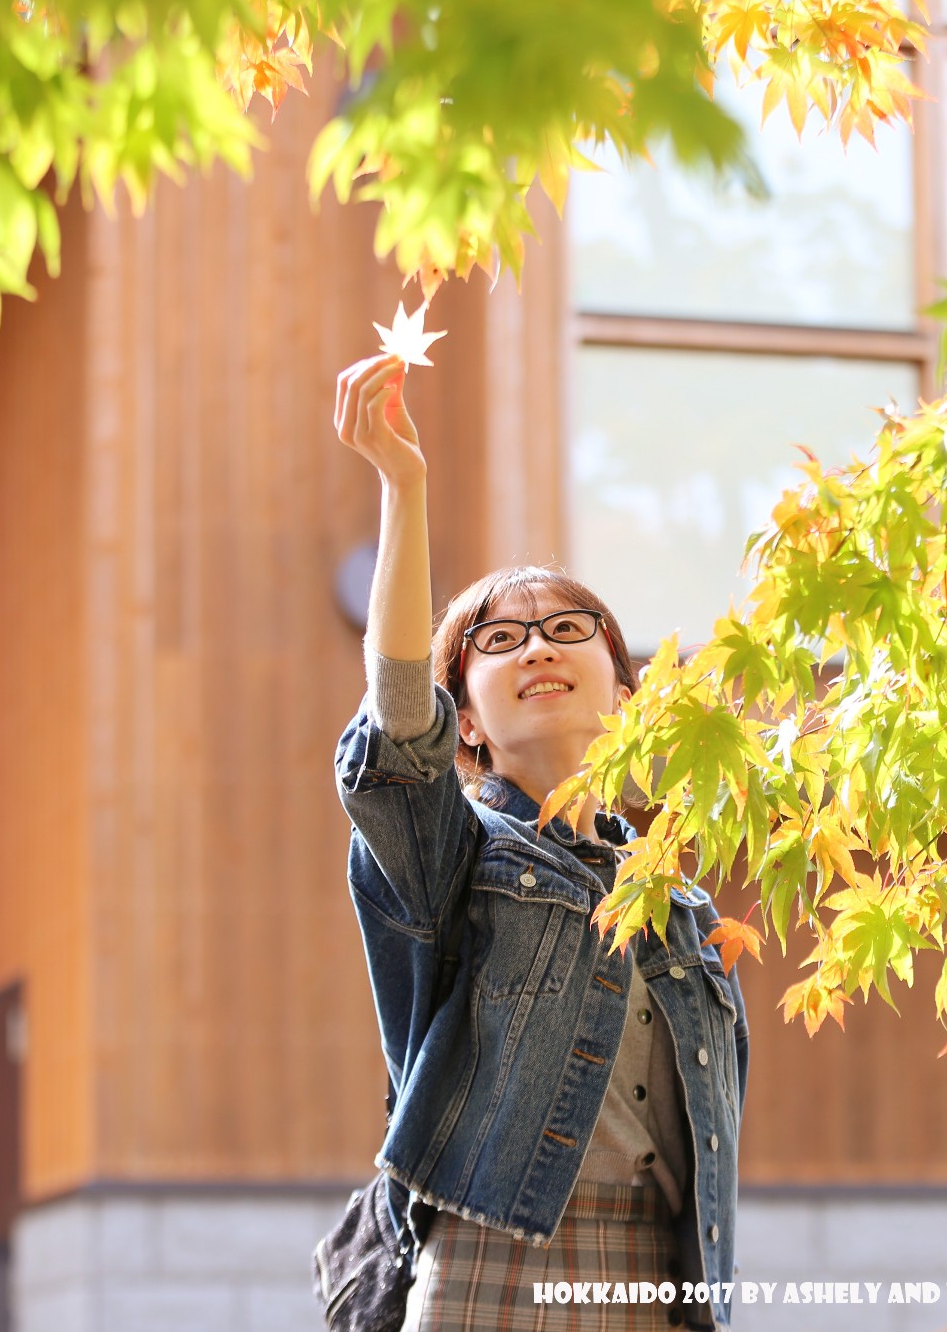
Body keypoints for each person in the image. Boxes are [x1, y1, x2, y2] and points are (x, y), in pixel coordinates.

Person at [330, 351, 749, 1332]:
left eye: (566, 628)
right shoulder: (454, 854)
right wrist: (405, 483)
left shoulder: (685, 915)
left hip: (654, 1267)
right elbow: (395, 730)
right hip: (491, 1252)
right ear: (464, 718)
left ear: (620, 683)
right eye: (499, 640)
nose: (536, 647)